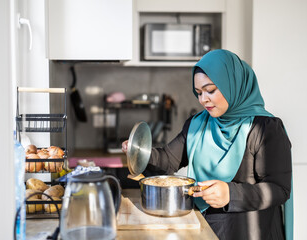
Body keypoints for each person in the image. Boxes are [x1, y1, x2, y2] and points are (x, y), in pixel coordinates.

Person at [122, 49, 293, 240]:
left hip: (251, 232)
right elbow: (168, 160)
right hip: (204, 230)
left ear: (232, 85)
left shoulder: (265, 128)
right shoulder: (197, 124)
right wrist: (139, 150)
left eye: (210, 90)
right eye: (198, 92)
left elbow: (279, 189)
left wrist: (231, 193)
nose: (203, 100)